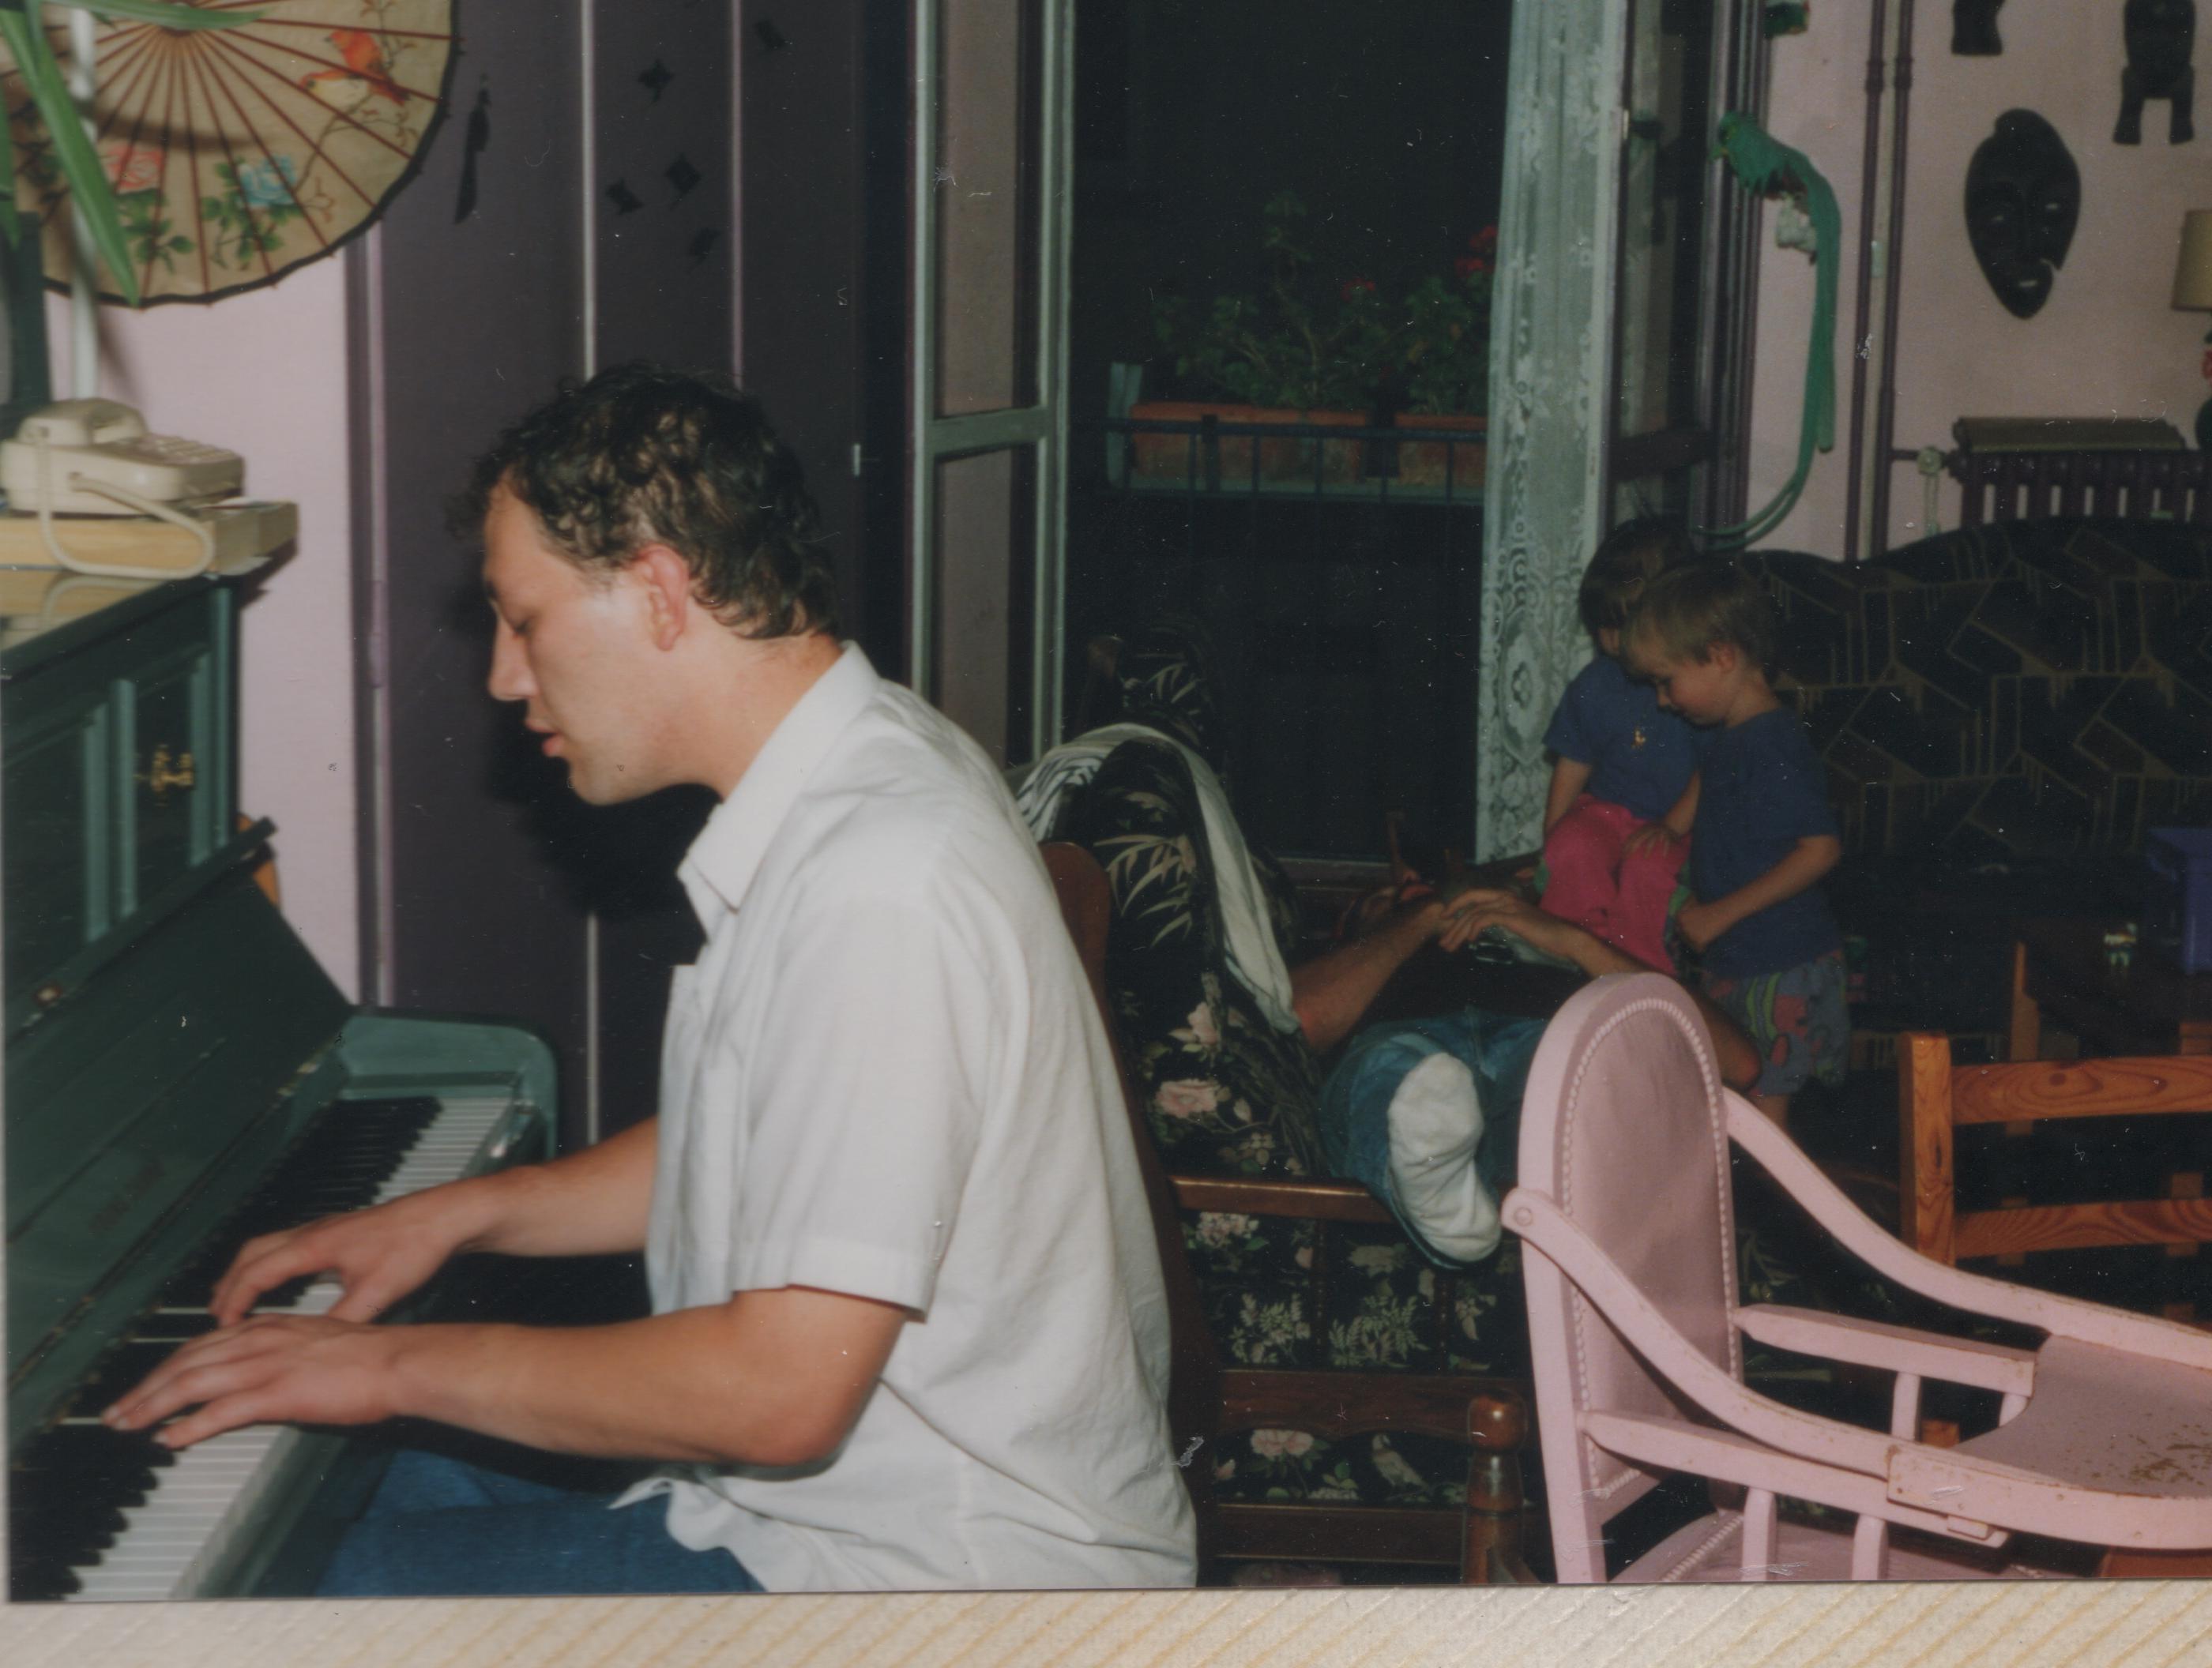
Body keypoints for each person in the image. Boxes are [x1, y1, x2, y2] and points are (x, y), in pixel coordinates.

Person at [104, 364, 1197, 1594]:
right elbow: (769, 1138)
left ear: (662, 592)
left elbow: (777, 1398)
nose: (503, 676)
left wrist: (389, 1364)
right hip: (819, 1519)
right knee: (331, 1489)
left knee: (254, 1607)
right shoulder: (869, 765)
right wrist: (461, 1212)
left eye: (525, 620)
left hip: (936, 1586)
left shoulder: (879, 883)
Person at [1622, 558, 1848, 1129]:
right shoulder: (1731, 734)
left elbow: (1821, 849)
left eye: (1666, 681)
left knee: (1764, 1108)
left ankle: (1769, 1188)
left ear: (1722, 656)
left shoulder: (1774, 746)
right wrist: (1672, 826)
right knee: (1730, 1092)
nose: (1663, 701)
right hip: (1738, 954)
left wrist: (1720, 914)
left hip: (1780, 957)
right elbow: (1708, 777)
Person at [1537, 517, 1708, 972]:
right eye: (1601, 626)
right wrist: (1553, 836)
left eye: (1622, 625)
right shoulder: (1594, 685)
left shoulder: (1694, 686)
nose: (1609, 641)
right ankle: (1573, 950)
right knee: (1574, 844)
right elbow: (1573, 763)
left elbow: (1710, 769)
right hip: (1606, 814)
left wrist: (1671, 826)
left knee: (1647, 868)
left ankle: (1638, 968)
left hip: (1677, 826)